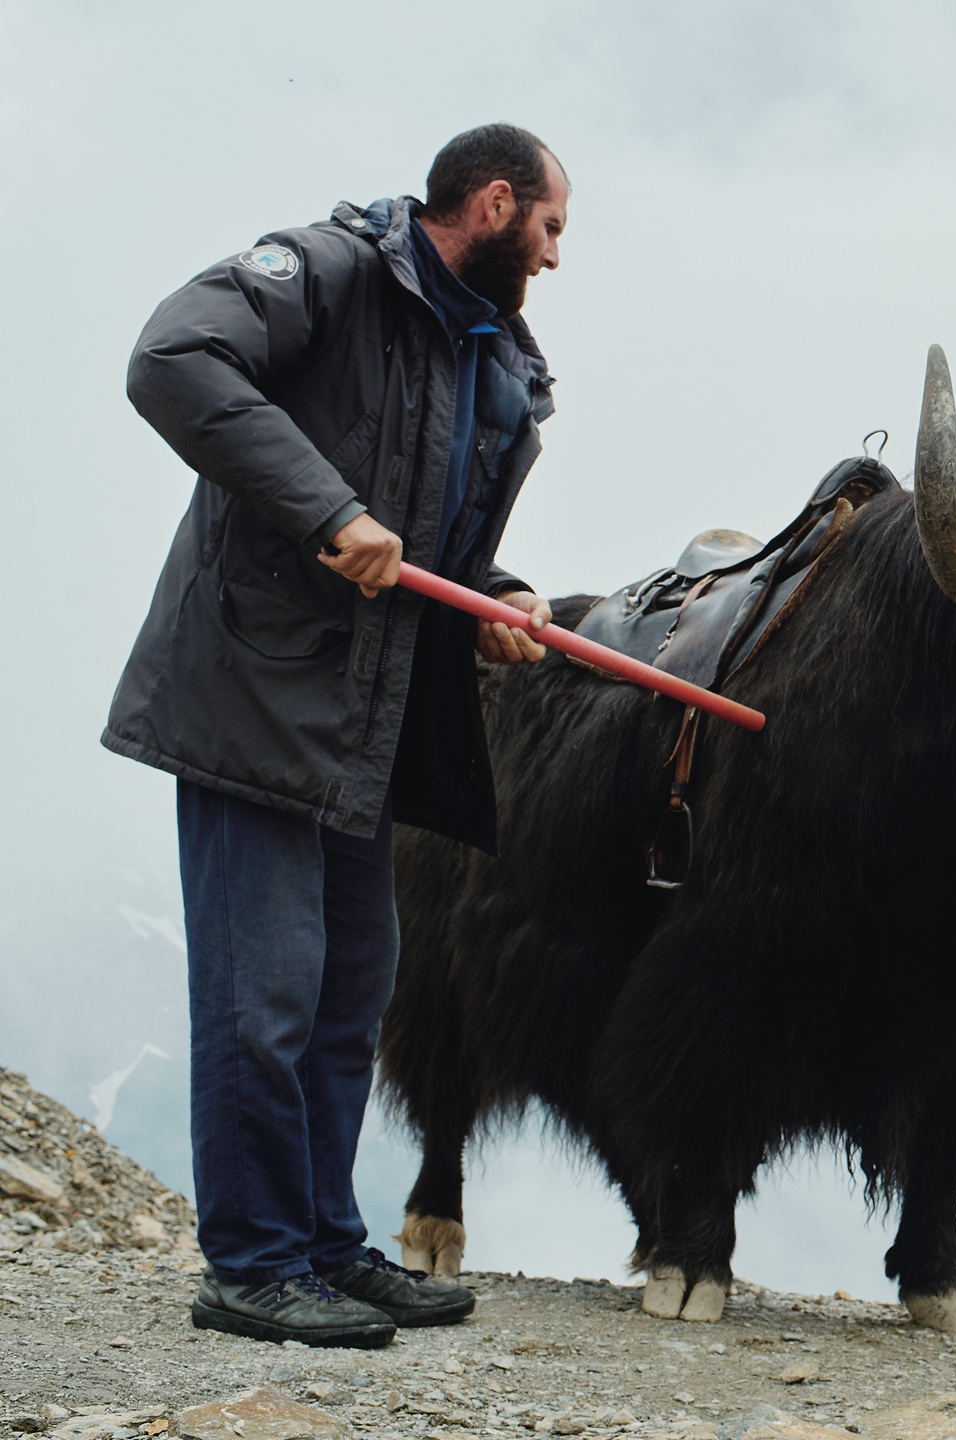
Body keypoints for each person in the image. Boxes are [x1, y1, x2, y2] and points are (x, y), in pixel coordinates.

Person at [102, 123, 571, 1347]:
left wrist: (492, 601)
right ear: (492, 200)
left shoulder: (490, 355)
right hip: (255, 700)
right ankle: (251, 1266)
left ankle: (320, 1244)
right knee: (262, 1001)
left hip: (366, 724)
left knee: (350, 999)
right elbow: (173, 357)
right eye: (553, 228)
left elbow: (420, 542)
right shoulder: (326, 271)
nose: (557, 259)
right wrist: (330, 510)